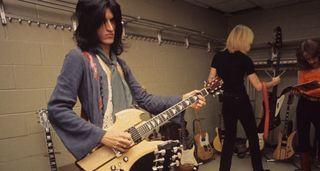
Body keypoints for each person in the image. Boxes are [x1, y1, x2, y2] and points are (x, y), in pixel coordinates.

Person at [47, 0, 206, 168]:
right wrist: (102, 136)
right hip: (105, 153)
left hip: (131, 147)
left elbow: (145, 100)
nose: (110, 28)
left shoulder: (120, 65)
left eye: (113, 20)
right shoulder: (79, 58)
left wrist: (184, 99)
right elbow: (57, 109)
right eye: (102, 22)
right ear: (89, 24)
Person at [207, 24, 280, 171]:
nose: (250, 44)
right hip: (241, 101)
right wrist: (275, 81)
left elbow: (210, 83)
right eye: (249, 41)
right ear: (243, 40)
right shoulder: (245, 59)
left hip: (227, 101)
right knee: (253, 137)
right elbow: (259, 87)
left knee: (228, 139)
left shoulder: (218, 57)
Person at [295, 39, 320, 171]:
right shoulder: (304, 68)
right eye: (307, 59)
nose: (311, 61)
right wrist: (298, 91)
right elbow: (301, 85)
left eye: (313, 58)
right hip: (304, 103)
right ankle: (305, 168)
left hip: (319, 105)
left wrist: (314, 89)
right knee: (303, 136)